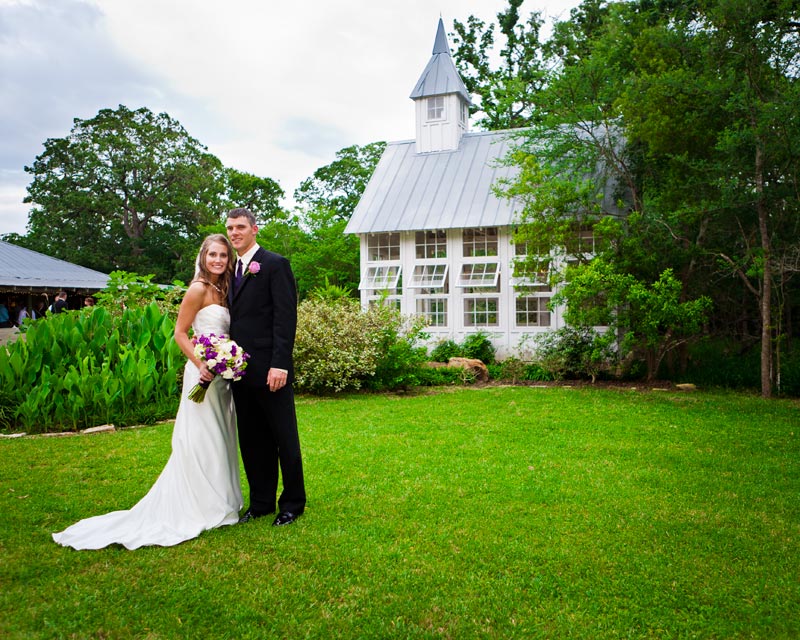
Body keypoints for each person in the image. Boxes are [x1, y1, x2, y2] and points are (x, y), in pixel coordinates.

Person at [52, 234, 243, 550]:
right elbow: (180, 333)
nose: (218, 260)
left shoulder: (225, 291)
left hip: (221, 376)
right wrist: (201, 363)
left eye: (223, 255)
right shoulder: (197, 289)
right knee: (199, 436)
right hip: (201, 371)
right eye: (213, 255)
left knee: (221, 434)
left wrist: (228, 360)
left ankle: (221, 500)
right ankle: (200, 504)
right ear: (203, 257)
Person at [226, 207, 306, 526]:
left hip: (272, 371)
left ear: (254, 229)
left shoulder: (274, 265)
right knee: (253, 440)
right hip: (239, 371)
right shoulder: (229, 270)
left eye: (240, 227)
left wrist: (280, 365)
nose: (234, 233)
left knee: (283, 438)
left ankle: (293, 503)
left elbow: (286, 318)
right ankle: (261, 503)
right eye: (230, 228)